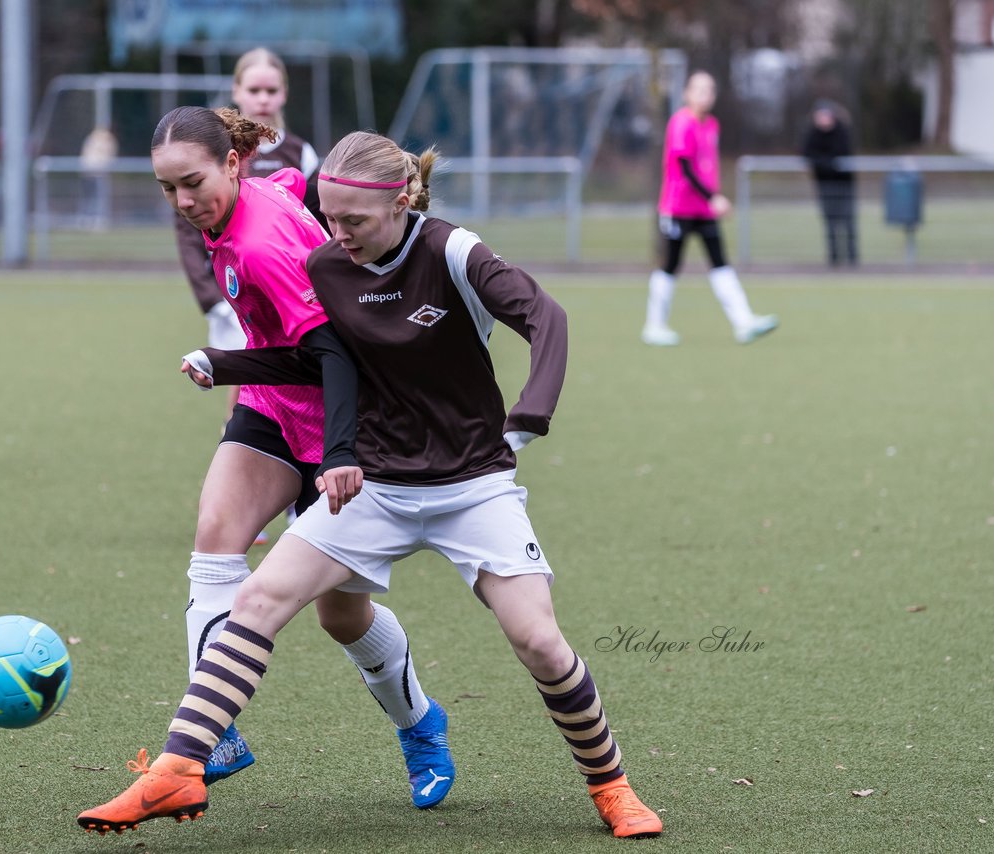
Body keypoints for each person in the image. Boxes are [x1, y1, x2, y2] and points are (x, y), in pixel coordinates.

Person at [76, 131, 663, 840]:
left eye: (354, 219)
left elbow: (547, 318)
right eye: (330, 216)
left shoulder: (452, 251)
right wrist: (224, 365)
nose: (339, 234)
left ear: (403, 198)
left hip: (473, 486)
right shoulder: (327, 265)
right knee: (258, 598)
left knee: (538, 640)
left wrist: (528, 418)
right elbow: (315, 361)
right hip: (377, 486)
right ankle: (177, 770)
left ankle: (613, 788)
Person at [129, 106, 454, 804]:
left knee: (341, 617)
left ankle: (422, 724)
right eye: (168, 189)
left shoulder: (260, 247)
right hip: (277, 405)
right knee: (215, 542)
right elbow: (297, 208)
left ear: (233, 165)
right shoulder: (260, 195)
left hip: (346, 421)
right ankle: (215, 735)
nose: (184, 202)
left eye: (193, 183)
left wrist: (335, 449)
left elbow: (332, 353)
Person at [173, 47, 323, 425]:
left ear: (284, 94)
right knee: (244, 382)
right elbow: (189, 231)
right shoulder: (220, 150)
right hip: (234, 291)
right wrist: (211, 299)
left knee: (292, 377)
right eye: (253, 90)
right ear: (237, 92)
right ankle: (241, 444)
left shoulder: (300, 152)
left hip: (287, 290)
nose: (262, 98)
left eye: (270, 91)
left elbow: (315, 220)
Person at [642, 71, 777, 347]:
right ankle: (654, 325)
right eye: (700, 90)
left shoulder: (712, 124)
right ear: (687, 94)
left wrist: (710, 198)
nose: (706, 95)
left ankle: (744, 322)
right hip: (678, 208)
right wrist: (713, 197)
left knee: (720, 263)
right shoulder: (682, 123)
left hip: (702, 210)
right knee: (670, 265)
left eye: (711, 90)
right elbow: (685, 167)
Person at [801, 100, 857, 267]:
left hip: (844, 184)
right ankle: (834, 258)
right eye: (820, 116)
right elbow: (808, 154)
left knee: (848, 221)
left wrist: (825, 162)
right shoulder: (812, 134)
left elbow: (842, 153)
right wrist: (826, 163)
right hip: (824, 184)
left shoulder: (842, 132)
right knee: (830, 222)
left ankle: (853, 259)